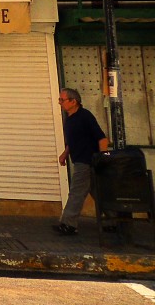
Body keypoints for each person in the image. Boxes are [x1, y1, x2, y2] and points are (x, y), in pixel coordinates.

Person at [54, 87, 110, 236]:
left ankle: (68, 224)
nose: (60, 103)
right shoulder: (69, 119)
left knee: (76, 192)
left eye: (62, 100)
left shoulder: (85, 116)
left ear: (74, 101)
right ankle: (113, 220)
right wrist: (65, 154)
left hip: (86, 161)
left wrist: (102, 157)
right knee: (98, 192)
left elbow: (102, 138)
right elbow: (73, 141)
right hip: (78, 159)